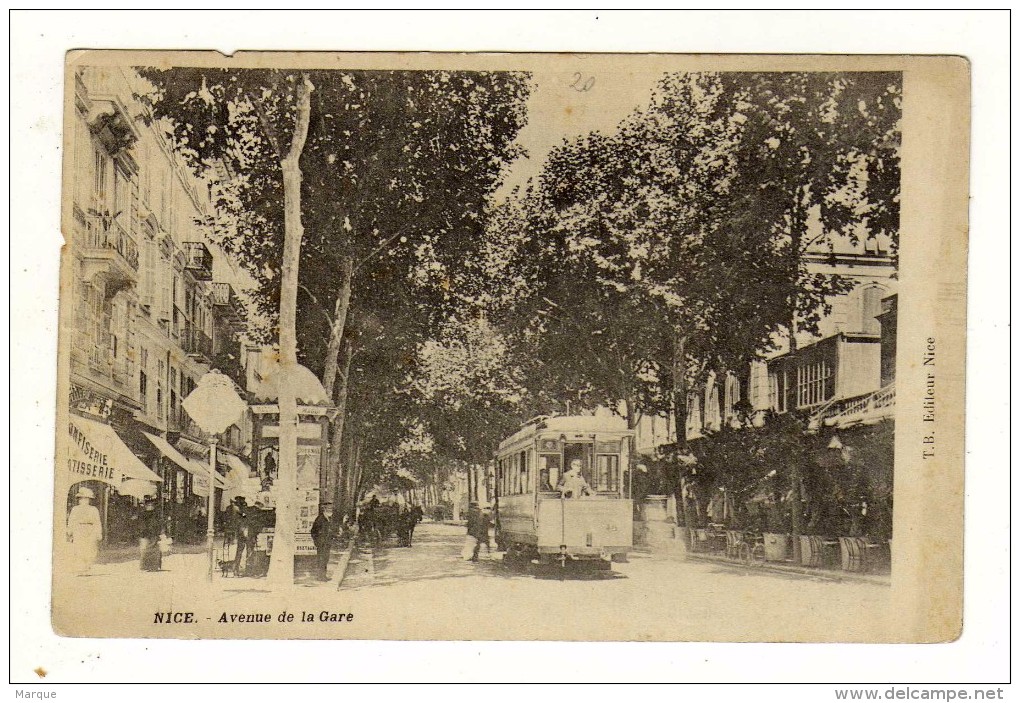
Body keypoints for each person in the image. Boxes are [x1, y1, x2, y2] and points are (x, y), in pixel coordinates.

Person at [66, 486, 103, 574]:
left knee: (90, 548)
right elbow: (71, 520)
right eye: (82, 499)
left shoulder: (93, 509)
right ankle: (81, 568)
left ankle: (87, 566)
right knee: (79, 548)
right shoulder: (75, 509)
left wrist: (99, 533)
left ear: (89, 500)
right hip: (79, 529)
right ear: (79, 500)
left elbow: (97, 522)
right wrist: (70, 530)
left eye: (86, 499)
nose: (84, 501)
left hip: (91, 530)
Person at [139, 497, 163, 572]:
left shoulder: (156, 514)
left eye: (151, 505)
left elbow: (159, 523)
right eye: (148, 505)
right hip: (146, 533)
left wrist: (160, 531)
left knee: (155, 549)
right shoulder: (143, 514)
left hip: (154, 533)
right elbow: (141, 524)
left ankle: (154, 566)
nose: (150, 506)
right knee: (146, 549)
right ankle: (146, 566)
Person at [310, 504, 332, 581]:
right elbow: (313, 531)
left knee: (325, 559)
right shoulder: (320, 519)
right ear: (324, 510)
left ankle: (323, 576)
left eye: (331, 509)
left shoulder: (328, 518)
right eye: (328, 509)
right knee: (321, 560)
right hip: (321, 544)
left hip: (326, 543)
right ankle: (320, 576)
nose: (330, 511)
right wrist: (317, 541)